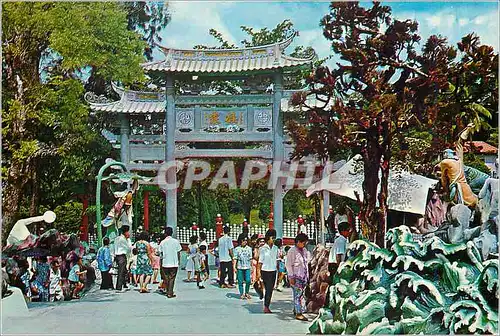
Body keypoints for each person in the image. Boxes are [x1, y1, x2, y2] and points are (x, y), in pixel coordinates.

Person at [286, 233, 312, 321]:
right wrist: (291, 277)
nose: (304, 244)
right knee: (298, 295)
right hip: (296, 276)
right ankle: (298, 313)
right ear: (298, 242)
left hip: (303, 276)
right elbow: (289, 265)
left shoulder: (304, 250)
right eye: (303, 242)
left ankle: (296, 309)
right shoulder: (292, 251)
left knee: (300, 294)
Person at [256, 229, 279, 313]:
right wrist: (258, 274)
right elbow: (260, 262)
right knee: (268, 289)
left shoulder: (276, 248)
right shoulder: (263, 248)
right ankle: (266, 306)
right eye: (272, 237)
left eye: (275, 237)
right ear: (268, 238)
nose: (274, 239)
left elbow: (276, 260)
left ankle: (266, 303)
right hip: (265, 271)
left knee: (270, 289)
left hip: (273, 271)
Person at [159, 227, 182, 298]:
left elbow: (161, 253)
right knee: (172, 278)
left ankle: (168, 290)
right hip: (174, 262)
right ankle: (170, 292)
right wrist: (178, 260)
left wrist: (161, 262)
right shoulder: (176, 241)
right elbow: (178, 252)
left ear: (165, 233)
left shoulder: (162, 242)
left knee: (166, 278)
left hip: (165, 262)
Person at [233, 233, 252, 300]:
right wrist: (234, 267)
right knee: (240, 281)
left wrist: (251, 267)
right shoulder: (237, 249)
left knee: (248, 280)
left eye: (246, 240)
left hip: (247, 267)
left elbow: (250, 258)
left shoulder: (249, 249)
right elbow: (235, 258)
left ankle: (247, 292)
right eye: (244, 240)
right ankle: (241, 294)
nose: (245, 242)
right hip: (240, 267)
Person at [114, 226, 132, 292]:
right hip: (122, 256)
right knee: (121, 272)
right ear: (125, 232)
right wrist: (128, 240)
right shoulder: (123, 239)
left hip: (117, 256)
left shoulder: (117, 238)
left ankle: (124, 284)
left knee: (124, 271)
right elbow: (129, 248)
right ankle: (118, 287)